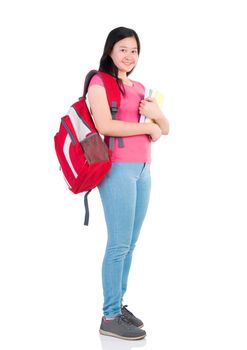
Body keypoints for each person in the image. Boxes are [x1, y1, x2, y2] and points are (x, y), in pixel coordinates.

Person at [88, 27, 169, 341]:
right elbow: (104, 125)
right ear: (110, 51)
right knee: (118, 244)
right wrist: (147, 129)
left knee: (131, 244)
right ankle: (109, 316)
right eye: (123, 49)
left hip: (144, 169)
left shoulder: (140, 87)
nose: (129, 56)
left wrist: (155, 116)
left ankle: (118, 305)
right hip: (118, 169)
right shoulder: (100, 82)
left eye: (134, 50)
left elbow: (164, 129)